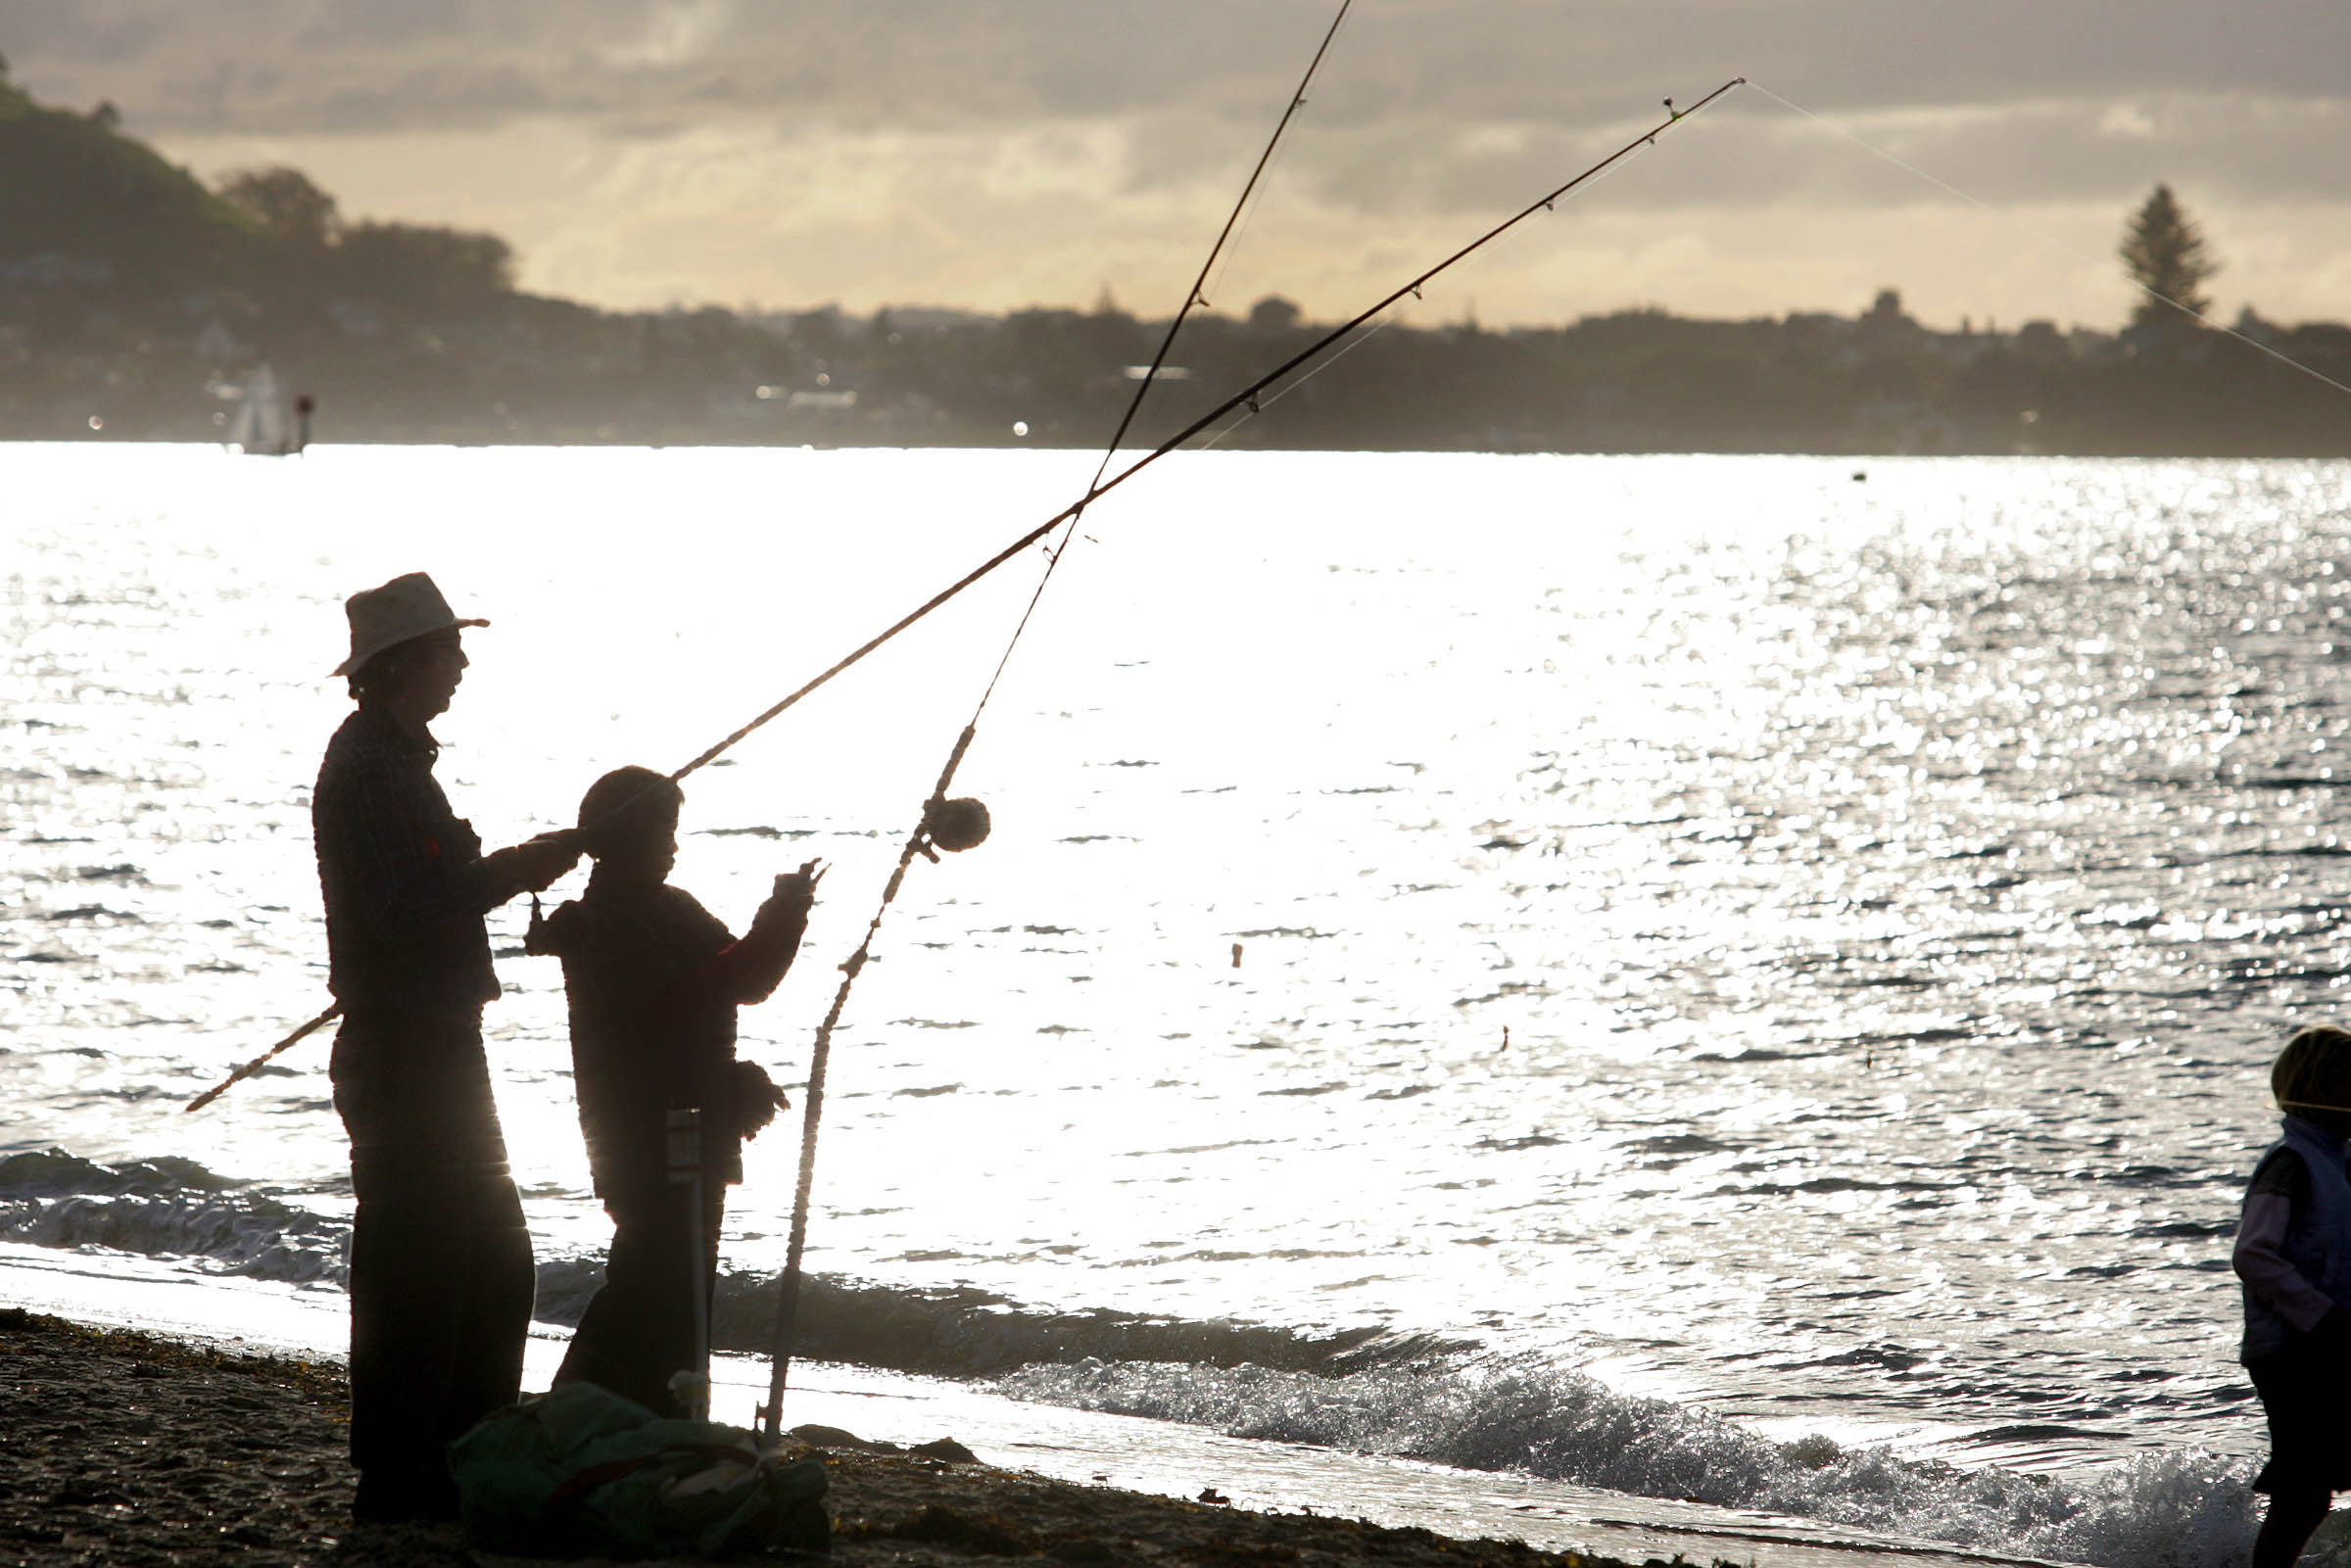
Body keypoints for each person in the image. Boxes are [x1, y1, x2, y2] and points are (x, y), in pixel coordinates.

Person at [312, 571, 582, 1524]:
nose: (462, 663)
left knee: (493, 1262)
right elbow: (411, 907)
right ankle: (402, 1475)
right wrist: (518, 867)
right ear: (401, 664)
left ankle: (460, 1454)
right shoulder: (369, 773)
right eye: (446, 648)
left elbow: (418, 900)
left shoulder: (396, 761)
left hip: (432, 1044)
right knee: (422, 1270)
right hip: (405, 1052)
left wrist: (515, 869)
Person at [528, 765, 818, 1417]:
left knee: (673, 1278)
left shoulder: (668, 905)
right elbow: (698, 995)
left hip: (690, 1123)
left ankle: (643, 1417)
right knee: (654, 1279)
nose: (674, 845)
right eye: (664, 830)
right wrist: (783, 910)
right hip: (647, 1132)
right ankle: (584, 1412)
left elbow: (747, 977)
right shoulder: (604, 923)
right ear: (630, 835)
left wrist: (787, 910)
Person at [2232, 1022, 2351, 1568]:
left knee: (2313, 1489)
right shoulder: (2292, 1164)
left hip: (2329, 1344)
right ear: (2323, 1092)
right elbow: (2254, 1255)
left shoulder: (2337, 1163)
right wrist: (2320, 1317)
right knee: (2303, 1493)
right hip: (2293, 1351)